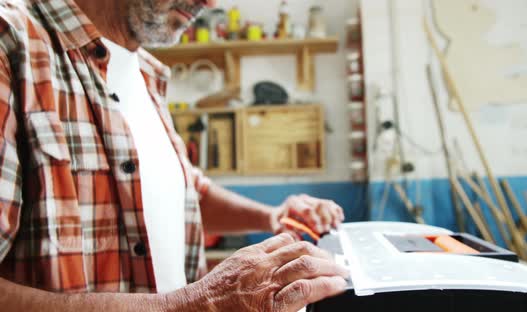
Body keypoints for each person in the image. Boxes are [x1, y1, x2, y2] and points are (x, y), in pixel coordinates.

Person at [0, 0, 348, 311]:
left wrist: (273, 216)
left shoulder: (149, 75)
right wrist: (192, 306)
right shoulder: (11, 43)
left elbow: (182, 196)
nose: (210, 3)